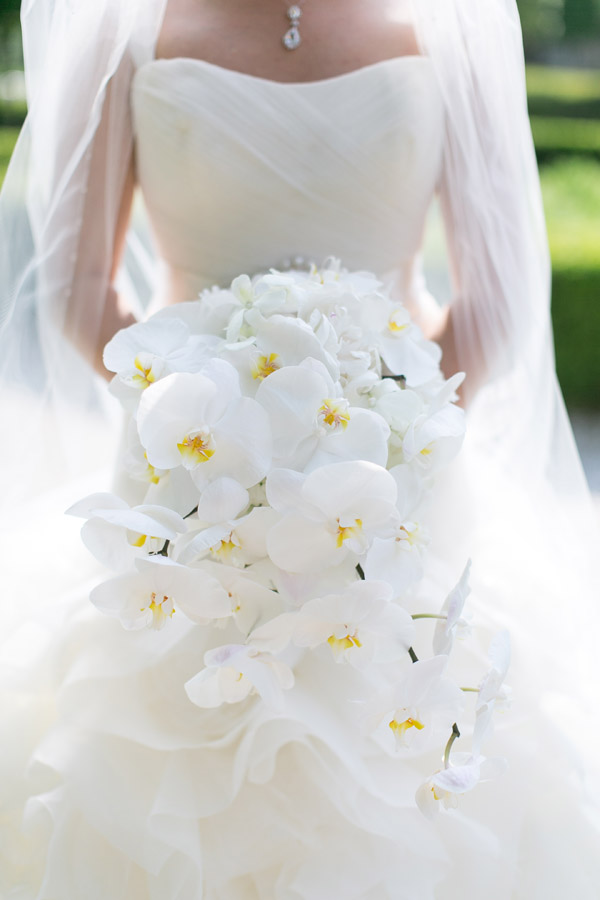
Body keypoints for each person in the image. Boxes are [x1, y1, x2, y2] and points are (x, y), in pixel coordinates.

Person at [1, 0, 599, 897]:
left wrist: (399, 433)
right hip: (185, 489)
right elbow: (77, 288)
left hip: (400, 504)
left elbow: (498, 304)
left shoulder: (449, 23)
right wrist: (195, 422)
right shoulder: (129, 26)